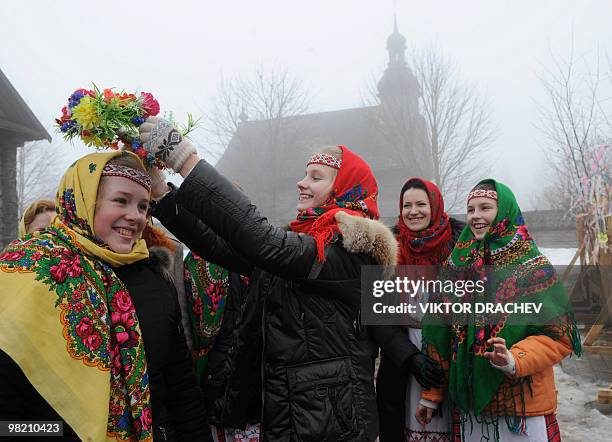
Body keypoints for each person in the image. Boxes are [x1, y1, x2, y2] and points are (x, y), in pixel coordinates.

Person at [142, 116, 398, 441]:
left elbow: (263, 240)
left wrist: (186, 160)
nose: (301, 183)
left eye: (316, 177)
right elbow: (218, 244)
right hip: (292, 411)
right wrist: (162, 193)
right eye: (305, 174)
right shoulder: (305, 240)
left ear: (344, 189)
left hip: (333, 423)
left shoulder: (350, 250)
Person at [0, 151, 212, 441]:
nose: (135, 216)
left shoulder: (154, 281)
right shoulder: (30, 273)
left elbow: (180, 389)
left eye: (143, 206)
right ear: (84, 201)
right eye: (121, 201)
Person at [418, 179, 582, 441]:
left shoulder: (532, 265)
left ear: (505, 210)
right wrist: (432, 394)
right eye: (470, 209)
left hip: (522, 407)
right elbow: (440, 334)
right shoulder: (457, 265)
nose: (476, 216)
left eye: (485, 207)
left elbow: (559, 337)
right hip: (470, 407)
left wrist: (514, 359)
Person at [376, 178, 464, 441]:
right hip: (402, 363)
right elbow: (380, 320)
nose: (413, 211)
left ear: (435, 206)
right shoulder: (386, 250)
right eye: (407, 205)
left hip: (452, 362)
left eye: (421, 204)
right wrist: (412, 359)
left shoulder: (460, 247)